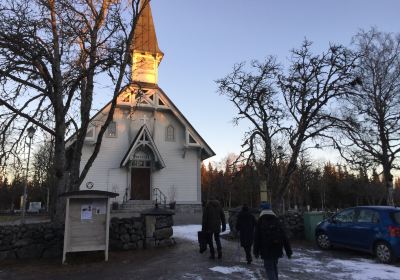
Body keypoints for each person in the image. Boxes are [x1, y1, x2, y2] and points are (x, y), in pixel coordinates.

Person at [253, 202, 292, 280]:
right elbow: (284, 236)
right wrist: (288, 251)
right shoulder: (276, 220)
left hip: (266, 250)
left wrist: (256, 251)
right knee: (274, 267)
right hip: (277, 249)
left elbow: (256, 238)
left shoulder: (260, 221)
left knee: (269, 269)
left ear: (262, 210)